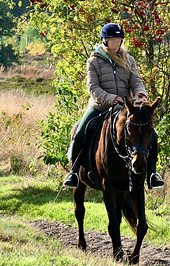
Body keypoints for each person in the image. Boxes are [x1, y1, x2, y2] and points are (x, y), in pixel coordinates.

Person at [62, 23, 164, 190]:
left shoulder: (128, 59)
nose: (117, 44)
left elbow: (136, 81)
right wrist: (111, 98)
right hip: (100, 105)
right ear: (105, 41)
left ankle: (152, 174)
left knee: (152, 134)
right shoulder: (93, 61)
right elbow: (93, 87)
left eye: (119, 40)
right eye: (113, 40)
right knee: (80, 131)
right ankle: (73, 172)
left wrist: (141, 94)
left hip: (126, 106)